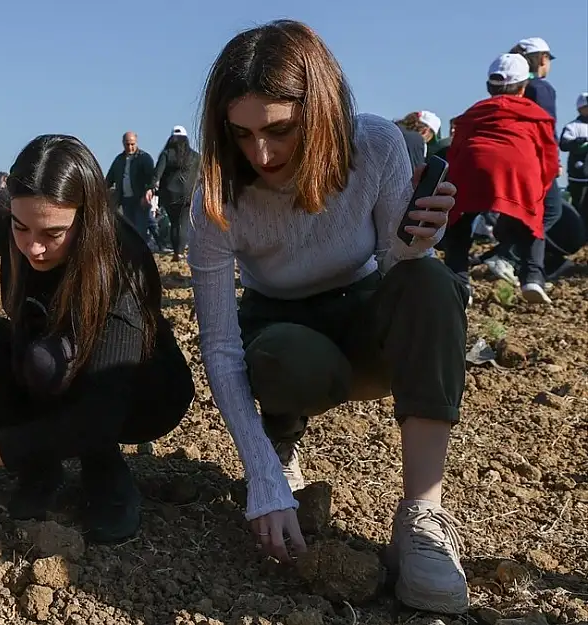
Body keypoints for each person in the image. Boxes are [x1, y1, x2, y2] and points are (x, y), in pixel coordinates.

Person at [188, 20, 468, 614]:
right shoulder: (217, 195)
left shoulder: (374, 146)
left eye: (280, 130)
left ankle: (423, 515)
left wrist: (417, 245)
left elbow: (396, 266)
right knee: (277, 355)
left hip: (363, 311)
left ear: (319, 113)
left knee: (431, 282)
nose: (260, 154)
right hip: (283, 329)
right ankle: (282, 444)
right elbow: (219, 343)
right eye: (240, 135)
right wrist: (260, 475)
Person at [0, 135, 195, 543]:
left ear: (86, 220)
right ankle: (39, 463)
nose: (33, 247)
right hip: (48, 360)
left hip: (136, 394)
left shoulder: (122, 266)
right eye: (22, 228)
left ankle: (102, 465)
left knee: (59, 377)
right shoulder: (15, 215)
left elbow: (100, 412)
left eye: (53, 233)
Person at [441, 54, 559, 304]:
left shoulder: (474, 112)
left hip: (472, 165)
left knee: (459, 222)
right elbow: (548, 154)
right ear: (524, 88)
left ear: (488, 87)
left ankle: (459, 282)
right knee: (532, 219)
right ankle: (533, 279)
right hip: (519, 168)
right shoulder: (535, 114)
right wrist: (540, 187)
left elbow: (457, 146)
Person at [153, 125, 201, 261]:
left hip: (169, 195)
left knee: (174, 223)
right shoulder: (195, 157)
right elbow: (202, 174)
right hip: (188, 194)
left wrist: (151, 187)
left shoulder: (166, 155)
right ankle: (180, 251)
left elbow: (157, 174)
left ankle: (176, 252)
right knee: (184, 223)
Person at [105, 132, 156, 237]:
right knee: (131, 229)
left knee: (142, 229)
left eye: (132, 144)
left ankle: (162, 245)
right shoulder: (119, 160)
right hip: (126, 200)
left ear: (136, 143)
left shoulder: (144, 158)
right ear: (123, 143)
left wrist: (148, 191)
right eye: (127, 144)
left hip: (140, 199)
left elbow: (151, 178)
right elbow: (109, 178)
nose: (130, 147)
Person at [560, 93, 588, 213]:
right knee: (580, 207)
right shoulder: (573, 126)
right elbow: (564, 144)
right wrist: (576, 142)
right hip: (579, 177)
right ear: (581, 108)